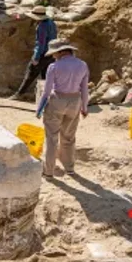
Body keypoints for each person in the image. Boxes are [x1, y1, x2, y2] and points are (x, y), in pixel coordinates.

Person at [36, 39, 89, 178]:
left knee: (52, 138)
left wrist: (40, 109)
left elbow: (46, 92)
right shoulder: (83, 65)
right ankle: (69, 168)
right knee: (69, 137)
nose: (53, 56)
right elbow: (84, 88)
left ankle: (48, 171)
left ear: (60, 52)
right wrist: (84, 107)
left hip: (57, 100)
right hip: (75, 101)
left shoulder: (54, 67)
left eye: (54, 53)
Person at [10, 6, 58, 100]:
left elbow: (40, 43)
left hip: (43, 54)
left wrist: (36, 58)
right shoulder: (51, 23)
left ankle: (19, 94)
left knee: (30, 73)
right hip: (51, 53)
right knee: (46, 76)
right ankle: (46, 96)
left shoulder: (42, 27)